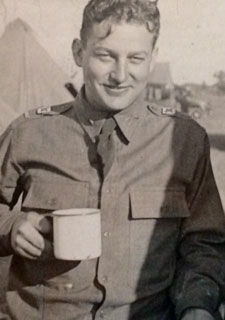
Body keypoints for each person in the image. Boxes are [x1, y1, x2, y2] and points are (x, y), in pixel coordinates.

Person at [0, 0, 225, 319]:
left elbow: (204, 242)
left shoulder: (184, 140)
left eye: (136, 58)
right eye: (105, 55)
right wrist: (11, 226)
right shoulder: (29, 132)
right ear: (79, 53)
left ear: (153, 59)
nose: (120, 75)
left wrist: (198, 306)